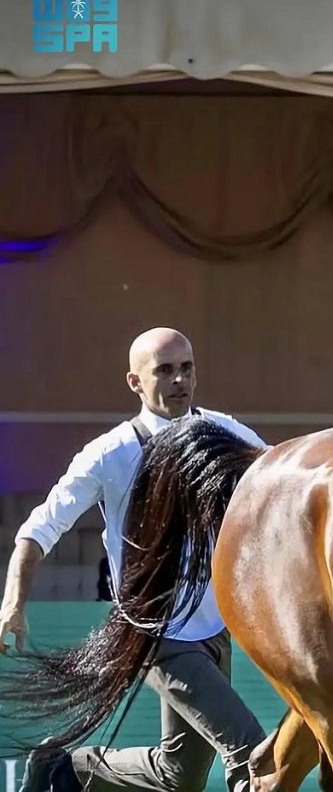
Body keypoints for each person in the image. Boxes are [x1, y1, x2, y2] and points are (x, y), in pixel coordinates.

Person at [0, 328, 267, 792]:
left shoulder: (224, 432)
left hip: (213, 630)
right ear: (135, 383)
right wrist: (12, 604)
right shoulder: (112, 453)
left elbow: (280, 476)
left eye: (186, 368)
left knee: (178, 778)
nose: (179, 380)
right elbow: (37, 531)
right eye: (164, 370)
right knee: (251, 752)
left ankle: (65, 769)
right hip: (153, 635)